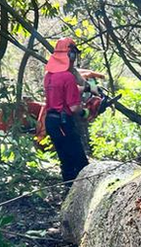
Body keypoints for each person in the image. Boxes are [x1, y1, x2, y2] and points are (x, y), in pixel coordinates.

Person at [44, 38, 90, 182]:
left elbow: (60, 91)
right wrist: (85, 112)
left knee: (66, 160)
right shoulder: (68, 77)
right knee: (81, 162)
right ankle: (80, 195)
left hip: (50, 121)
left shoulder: (48, 76)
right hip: (63, 122)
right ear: (70, 55)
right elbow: (74, 107)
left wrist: (85, 89)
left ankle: (68, 193)